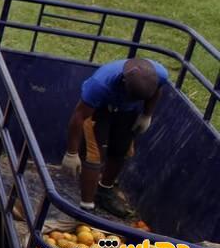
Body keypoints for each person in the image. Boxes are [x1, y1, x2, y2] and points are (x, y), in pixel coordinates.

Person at [61, 57, 167, 218]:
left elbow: (157, 90)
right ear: (124, 82)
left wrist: (147, 114)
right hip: (100, 109)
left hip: (128, 111)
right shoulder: (100, 83)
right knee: (93, 154)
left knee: (121, 150)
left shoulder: (159, 74)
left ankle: (104, 191)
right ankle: (86, 208)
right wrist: (71, 152)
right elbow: (79, 116)